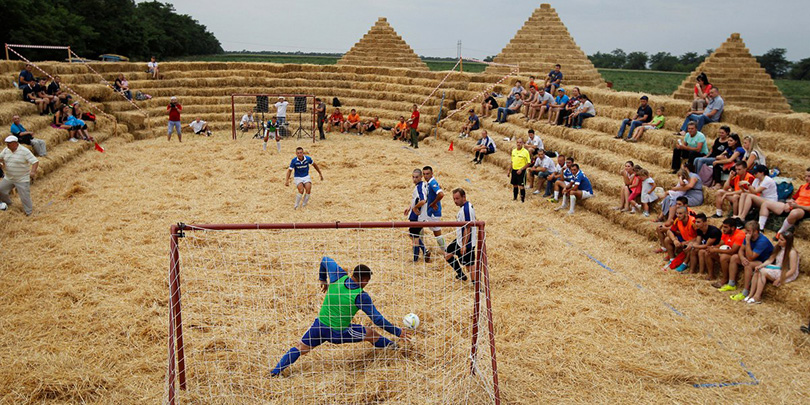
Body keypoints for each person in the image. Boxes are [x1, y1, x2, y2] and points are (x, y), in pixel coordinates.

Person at [270, 257, 408, 377]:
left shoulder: (338, 276)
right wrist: (397, 331)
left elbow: (325, 259)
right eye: (367, 281)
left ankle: (275, 372)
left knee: (300, 348)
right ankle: (397, 348)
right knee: (372, 334)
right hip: (338, 333)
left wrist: (322, 279)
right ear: (364, 280)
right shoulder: (361, 296)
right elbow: (377, 319)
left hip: (319, 326)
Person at [725, 221, 774, 301]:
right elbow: (741, 250)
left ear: (755, 232)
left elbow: (751, 258)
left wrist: (747, 242)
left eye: (748, 231)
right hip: (752, 258)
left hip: (763, 262)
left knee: (748, 265)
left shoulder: (762, 241)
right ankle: (731, 284)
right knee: (734, 257)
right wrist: (742, 258)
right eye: (746, 230)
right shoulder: (748, 237)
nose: (746, 233)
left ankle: (745, 292)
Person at [746, 232, 799, 304]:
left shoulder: (792, 252)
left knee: (762, 272)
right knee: (758, 270)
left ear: (788, 242)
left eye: (782, 240)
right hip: (779, 268)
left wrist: (779, 279)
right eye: (779, 239)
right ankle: (750, 294)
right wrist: (761, 266)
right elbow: (770, 260)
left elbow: (792, 270)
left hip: (786, 272)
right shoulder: (779, 248)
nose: (779, 241)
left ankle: (757, 296)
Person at [760, 167, 810, 236]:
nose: (806, 178)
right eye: (805, 176)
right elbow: (794, 198)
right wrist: (788, 203)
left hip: (804, 210)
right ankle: (760, 228)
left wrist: (797, 206)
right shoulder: (803, 186)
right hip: (794, 206)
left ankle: (780, 233)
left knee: (794, 213)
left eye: (809, 176)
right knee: (766, 203)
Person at [0, 136, 39, 215]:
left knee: (24, 196)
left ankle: (29, 212)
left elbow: (35, 161)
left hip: (22, 178)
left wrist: (33, 172)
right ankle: (8, 203)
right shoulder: (6, 150)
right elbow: (1, 158)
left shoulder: (24, 151)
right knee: (1, 190)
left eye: (9, 143)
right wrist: (1, 163)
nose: (7, 145)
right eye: (7, 143)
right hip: (9, 177)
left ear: (15, 143)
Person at [444, 188, 477, 281]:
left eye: (457, 198)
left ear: (464, 197)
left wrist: (464, 245)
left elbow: (468, 228)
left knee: (469, 265)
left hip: (467, 243)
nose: (455, 201)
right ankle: (461, 274)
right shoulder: (465, 207)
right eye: (454, 199)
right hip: (460, 241)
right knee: (447, 255)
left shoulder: (466, 209)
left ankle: (476, 286)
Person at [706, 218, 745, 283]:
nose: (723, 229)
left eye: (726, 227)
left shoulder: (740, 235)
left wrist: (716, 250)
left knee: (723, 257)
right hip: (727, 253)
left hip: (736, 257)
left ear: (732, 228)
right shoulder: (725, 233)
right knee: (708, 253)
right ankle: (711, 275)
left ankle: (725, 279)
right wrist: (712, 248)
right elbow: (720, 244)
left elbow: (733, 251)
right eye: (723, 226)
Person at [662, 206, 698, 271]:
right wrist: (674, 240)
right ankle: (672, 259)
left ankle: (684, 264)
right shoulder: (677, 220)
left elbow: (700, 236)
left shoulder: (693, 221)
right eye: (677, 213)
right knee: (667, 239)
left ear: (686, 214)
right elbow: (669, 231)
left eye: (680, 213)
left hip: (693, 241)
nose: (678, 215)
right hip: (684, 239)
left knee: (689, 247)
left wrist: (688, 242)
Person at [404, 169, 428, 262]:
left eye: (417, 177)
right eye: (413, 177)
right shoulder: (421, 185)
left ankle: (416, 259)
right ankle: (425, 251)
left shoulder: (420, 187)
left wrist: (415, 208)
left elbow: (423, 200)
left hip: (418, 216)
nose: (414, 179)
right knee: (413, 236)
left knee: (415, 238)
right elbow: (417, 200)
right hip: (418, 216)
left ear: (421, 177)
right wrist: (410, 207)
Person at [421, 166, 447, 253]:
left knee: (437, 234)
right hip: (428, 212)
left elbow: (441, 194)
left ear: (432, 173)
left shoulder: (432, 183)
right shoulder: (428, 183)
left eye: (427, 174)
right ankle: (423, 249)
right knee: (418, 227)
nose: (425, 176)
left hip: (433, 213)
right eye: (424, 174)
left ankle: (445, 252)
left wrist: (433, 203)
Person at [508, 138, 531, 202]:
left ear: (522, 143)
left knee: (521, 186)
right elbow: (512, 161)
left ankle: (522, 200)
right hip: (514, 170)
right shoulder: (514, 151)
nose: (518, 144)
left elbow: (528, 163)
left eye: (520, 142)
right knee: (514, 185)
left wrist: (521, 169)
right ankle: (515, 198)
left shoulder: (525, 152)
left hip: (521, 171)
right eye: (517, 142)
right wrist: (509, 170)